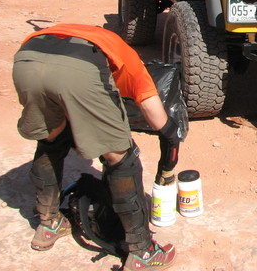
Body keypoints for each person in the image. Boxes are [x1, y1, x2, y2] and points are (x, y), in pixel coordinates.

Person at [12, 23, 180, 271]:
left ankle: (48, 224)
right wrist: (172, 140)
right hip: (78, 68)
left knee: (51, 140)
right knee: (121, 158)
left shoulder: (98, 40)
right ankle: (142, 251)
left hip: (27, 59)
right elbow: (156, 118)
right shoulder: (131, 60)